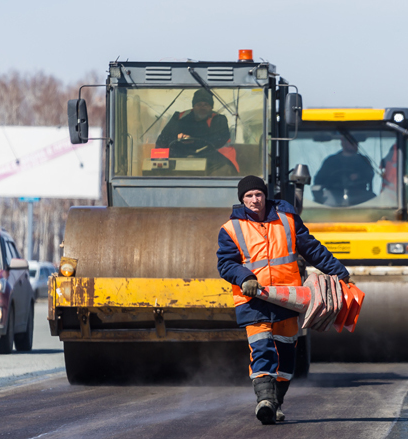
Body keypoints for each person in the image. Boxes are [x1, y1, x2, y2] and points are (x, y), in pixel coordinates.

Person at [217, 175, 351, 425]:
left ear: (265, 195)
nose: (254, 200)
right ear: (241, 199)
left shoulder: (287, 219)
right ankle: (264, 402)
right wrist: (244, 277)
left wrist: (340, 273)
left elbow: (312, 250)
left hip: (288, 299)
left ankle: (275, 403)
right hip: (253, 301)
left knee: (286, 356)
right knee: (262, 349)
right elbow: (226, 264)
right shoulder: (231, 229)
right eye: (248, 196)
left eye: (258, 194)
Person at [155, 89, 236, 174]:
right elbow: (162, 140)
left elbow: (218, 140)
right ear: (193, 106)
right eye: (199, 104)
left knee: (224, 170)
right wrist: (177, 138)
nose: (202, 107)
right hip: (179, 160)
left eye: (206, 104)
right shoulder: (179, 118)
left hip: (213, 162)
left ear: (211, 107)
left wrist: (193, 141)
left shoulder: (219, 120)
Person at [311, 134, 375, 206]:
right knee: (324, 204)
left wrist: (359, 175)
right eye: (351, 141)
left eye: (355, 141)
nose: (354, 143)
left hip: (359, 194)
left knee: (375, 203)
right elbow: (318, 180)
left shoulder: (363, 160)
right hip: (334, 193)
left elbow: (370, 174)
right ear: (342, 142)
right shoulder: (331, 161)